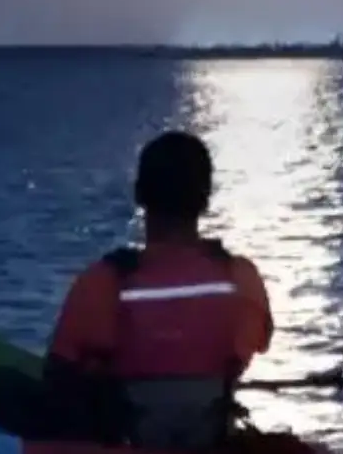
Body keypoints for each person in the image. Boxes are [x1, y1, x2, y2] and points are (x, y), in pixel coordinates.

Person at [41, 130, 273, 451]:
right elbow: (252, 347)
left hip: (127, 442)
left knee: (6, 388)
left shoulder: (101, 282)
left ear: (139, 194)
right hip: (208, 440)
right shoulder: (242, 280)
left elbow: (57, 380)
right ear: (206, 197)